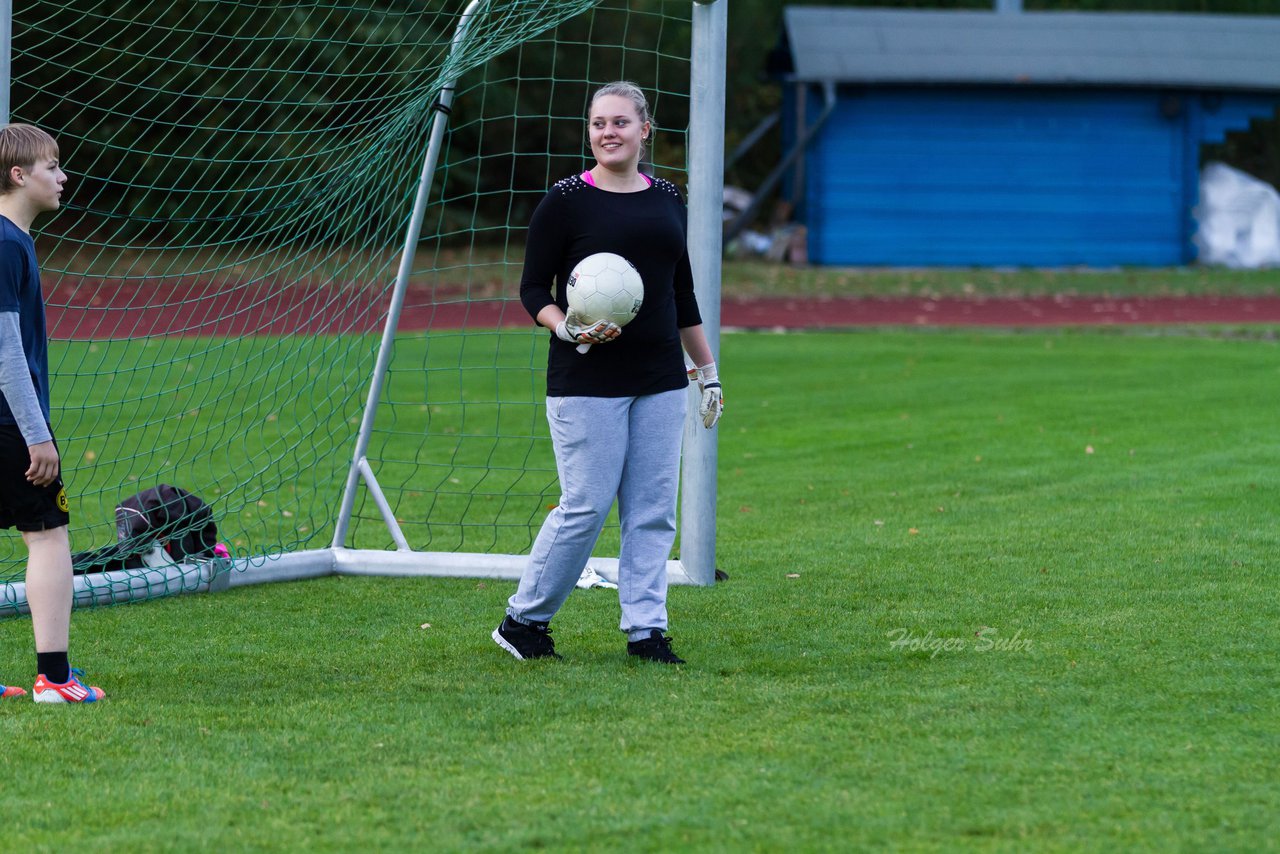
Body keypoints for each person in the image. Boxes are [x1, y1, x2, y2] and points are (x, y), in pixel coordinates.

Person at [492, 82, 723, 665]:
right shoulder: (566, 200)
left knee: (651, 511)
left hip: (662, 378)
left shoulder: (669, 196)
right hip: (586, 380)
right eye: (598, 123)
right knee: (587, 505)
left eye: (620, 122)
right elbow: (530, 289)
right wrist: (565, 328)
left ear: (646, 129)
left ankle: (646, 632)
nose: (608, 132)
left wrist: (709, 370)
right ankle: (524, 620)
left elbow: (683, 293)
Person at [0, 124, 104, 703]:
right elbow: (5, 348)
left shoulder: (13, 241)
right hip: (9, 423)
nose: (62, 177)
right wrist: (36, 434)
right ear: (20, 175)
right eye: (52, 167)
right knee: (48, 536)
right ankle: (57, 680)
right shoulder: (6, 244)